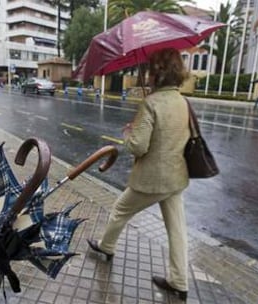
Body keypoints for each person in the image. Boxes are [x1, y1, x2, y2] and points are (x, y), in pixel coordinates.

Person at [87, 48, 190, 301]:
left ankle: (106, 247)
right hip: (176, 178)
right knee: (177, 229)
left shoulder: (151, 103)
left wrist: (128, 134)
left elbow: (138, 146)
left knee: (120, 209)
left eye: (151, 69)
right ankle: (179, 282)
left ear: (157, 73)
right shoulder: (184, 102)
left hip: (152, 179)